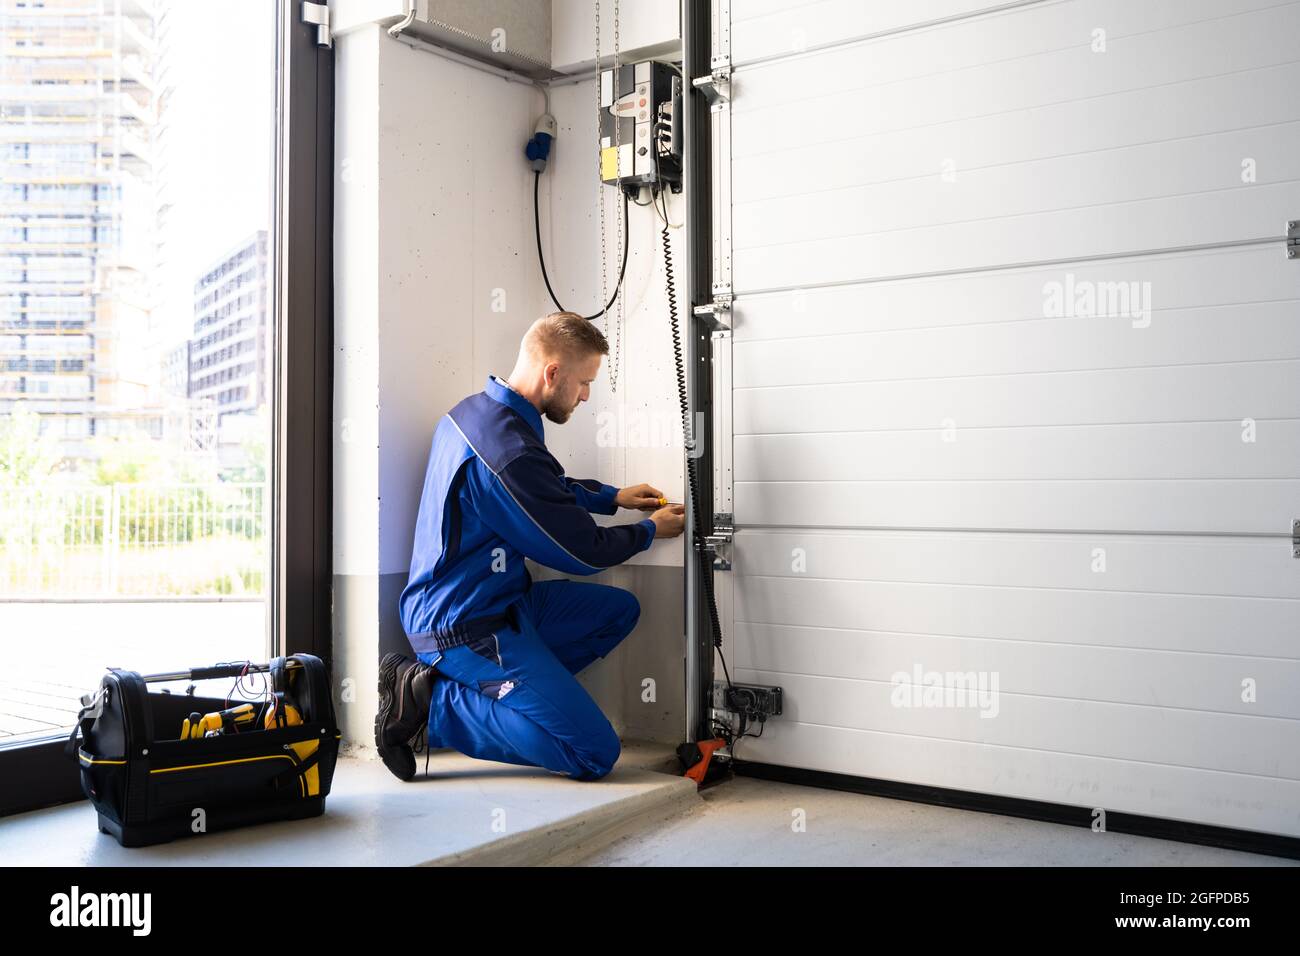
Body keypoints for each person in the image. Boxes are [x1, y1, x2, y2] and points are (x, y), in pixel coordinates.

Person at [376, 311, 686, 782]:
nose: (585, 396)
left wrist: (612, 497)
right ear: (553, 373)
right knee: (594, 753)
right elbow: (582, 553)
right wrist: (647, 531)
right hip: (462, 627)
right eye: (584, 382)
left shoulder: (478, 413)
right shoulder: (506, 452)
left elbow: (544, 488)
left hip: (504, 603)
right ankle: (432, 703)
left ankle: (515, 698)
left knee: (618, 611)